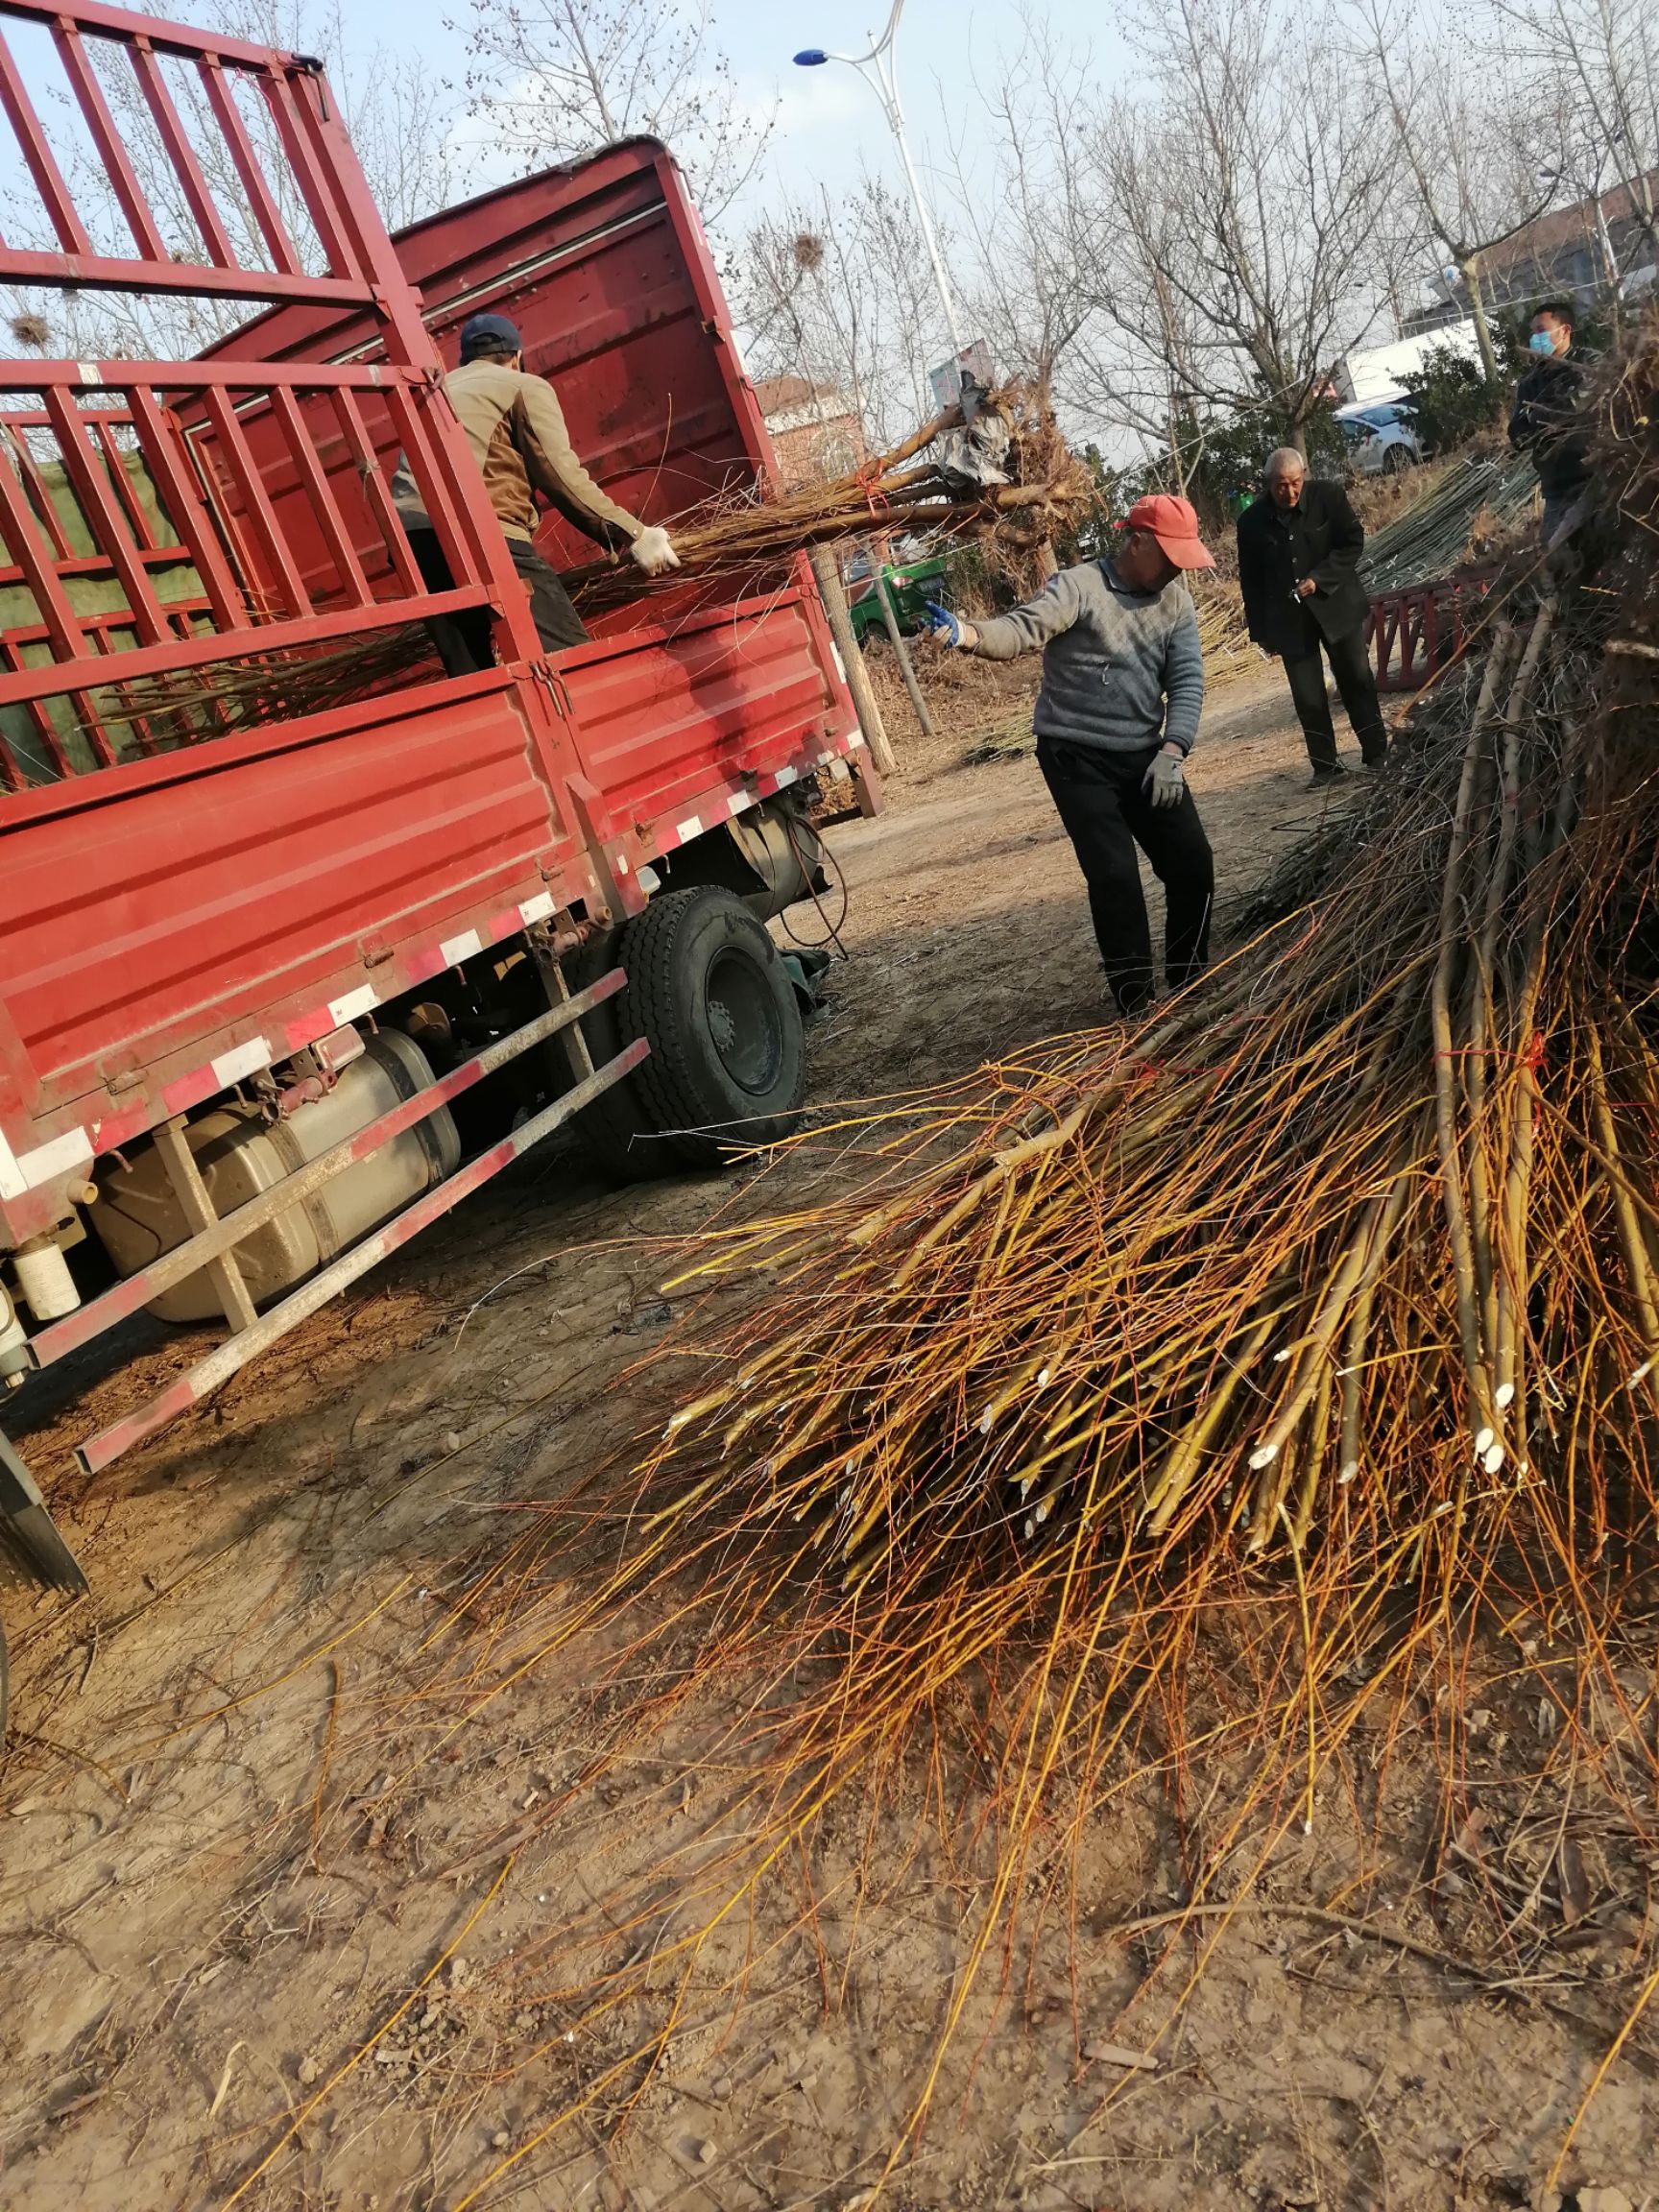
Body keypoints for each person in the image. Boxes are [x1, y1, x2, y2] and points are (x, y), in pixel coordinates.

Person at [920, 493, 1215, 1019]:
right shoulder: (1078, 587)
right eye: (1171, 557)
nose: (1176, 570)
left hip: (1148, 755)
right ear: (1138, 541)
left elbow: (1187, 679)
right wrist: (967, 634)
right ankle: (1137, 1005)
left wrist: (1174, 749)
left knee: (1192, 862)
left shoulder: (1177, 603)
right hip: (1075, 757)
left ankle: (1190, 980)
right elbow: (1020, 630)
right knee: (1115, 876)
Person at [393, 312, 679, 673]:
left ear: (465, 360)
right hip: (479, 532)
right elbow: (559, 474)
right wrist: (633, 534)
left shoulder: (438, 391)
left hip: (413, 541)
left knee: (475, 678)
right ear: (516, 356)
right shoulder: (521, 384)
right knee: (573, 661)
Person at [1236, 447, 1387, 787]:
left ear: (1304, 475)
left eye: (1295, 483)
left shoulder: (1328, 497)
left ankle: (1377, 752)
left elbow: (1352, 542)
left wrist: (1321, 578)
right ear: (1267, 484)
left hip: (1337, 606)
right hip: (1290, 619)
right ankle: (1325, 766)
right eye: (1280, 486)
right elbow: (1251, 580)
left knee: (1357, 681)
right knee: (1308, 695)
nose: (1289, 493)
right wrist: (1260, 631)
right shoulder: (1251, 523)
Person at [1508, 297, 1592, 546]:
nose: (1535, 339)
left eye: (1541, 331)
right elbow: (1517, 433)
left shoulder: (1589, 364)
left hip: (1592, 475)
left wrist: (1535, 418)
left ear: (1565, 330)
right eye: (1533, 333)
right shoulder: (1530, 382)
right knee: (1555, 555)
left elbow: (1574, 408)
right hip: (1555, 484)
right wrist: (1536, 423)